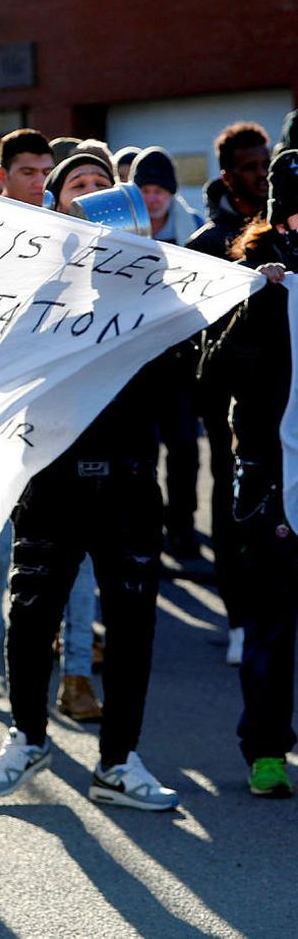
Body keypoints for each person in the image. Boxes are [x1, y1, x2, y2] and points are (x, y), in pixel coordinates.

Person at [0, 152, 178, 812]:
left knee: (130, 625)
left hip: (128, 482)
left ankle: (119, 761)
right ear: (57, 205)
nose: (94, 196)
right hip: (51, 478)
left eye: (103, 186)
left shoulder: (157, 284)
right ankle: (27, 736)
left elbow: (189, 373)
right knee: (31, 615)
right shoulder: (30, 283)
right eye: (78, 187)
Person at [0, 129, 101, 716]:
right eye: (28, 172)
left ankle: (78, 673)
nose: (40, 183)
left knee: (79, 555)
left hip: (68, 417)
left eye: (48, 172)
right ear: (2, 175)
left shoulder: (82, 239)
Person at [211, 148, 298, 798]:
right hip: (270, 481)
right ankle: (266, 748)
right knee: (271, 622)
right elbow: (212, 378)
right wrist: (253, 303)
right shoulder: (251, 280)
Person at [188, 122, 273, 666]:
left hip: (280, 401)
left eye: (266, 163)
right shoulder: (207, 244)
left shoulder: (282, 225)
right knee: (231, 507)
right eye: (250, 166)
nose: (261, 174)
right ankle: (240, 617)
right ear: (227, 174)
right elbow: (200, 340)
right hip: (227, 406)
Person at [130, 147, 207, 563]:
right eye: (146, 188)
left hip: (180, 361)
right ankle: (147, 530)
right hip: (136, 360)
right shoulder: (124, 226)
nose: (154, 197)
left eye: (161, 189)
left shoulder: (193, 227)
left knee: (184, 451)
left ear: (172, 192)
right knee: (142, 454)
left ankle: (183, 528)